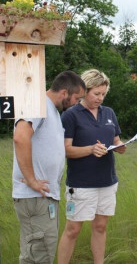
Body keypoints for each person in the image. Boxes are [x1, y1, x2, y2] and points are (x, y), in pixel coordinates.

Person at [12, 70, 86, 264]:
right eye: (77, 98)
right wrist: (31, 180)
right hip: (35, 196)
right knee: (37, 256)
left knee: (41, 253)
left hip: (44, 197)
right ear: (64, 93)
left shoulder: (50, 111)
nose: (77, 104)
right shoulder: (37, 104)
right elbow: (20, 137)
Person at [57, 69, 126, 264]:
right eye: (96, 93)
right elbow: (65, 150)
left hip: (107, 181)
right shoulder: (71, 115)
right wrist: (90, 149)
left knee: (100, 226)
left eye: (103, 94)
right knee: (73, 229)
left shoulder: (109, 113)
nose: (100, 98)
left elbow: (116, 140)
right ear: (84, 90)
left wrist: (120, 147)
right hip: (81, 183)